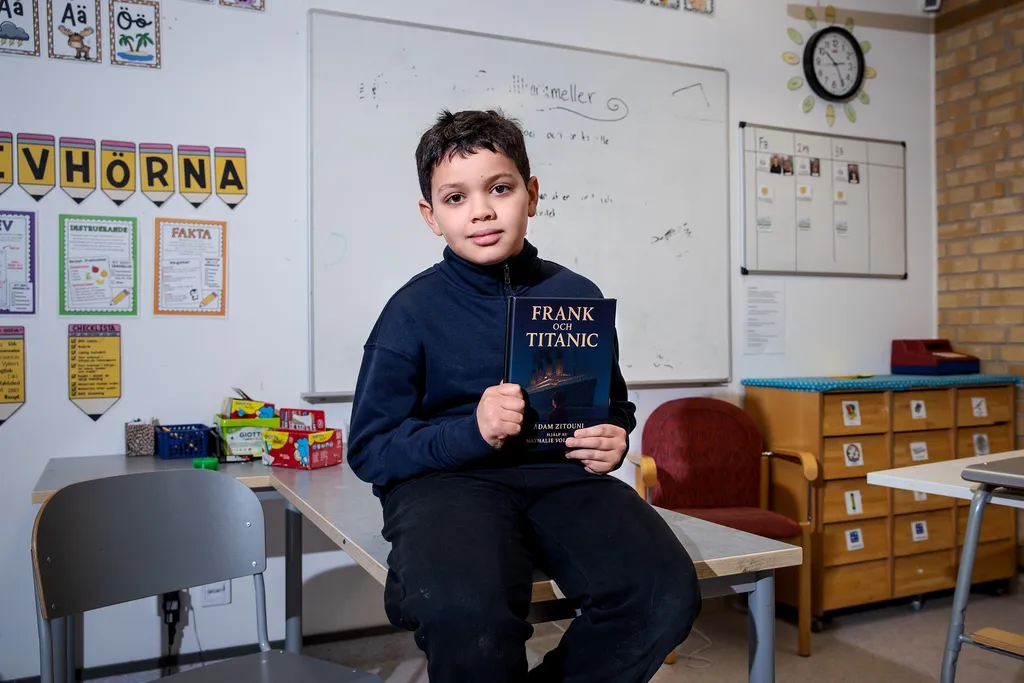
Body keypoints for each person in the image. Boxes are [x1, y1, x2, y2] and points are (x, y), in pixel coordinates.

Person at [347, 109, 702, 683]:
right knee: (468, 616)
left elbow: (612, 403)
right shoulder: (410, 312)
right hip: (447, 484)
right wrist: (471, 431)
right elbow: (371, 449)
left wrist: (614, 434)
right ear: (431, 216)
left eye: (500, 188)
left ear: (531, 195)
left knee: (663, 594)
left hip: (560, 478)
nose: (481, 211)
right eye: (455, 198)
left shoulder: (576, 294)